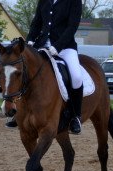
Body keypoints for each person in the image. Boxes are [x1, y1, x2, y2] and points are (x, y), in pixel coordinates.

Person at [24, 0, 83, 134]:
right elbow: (37, 22)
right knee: (25, 71)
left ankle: (75, 117)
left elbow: (72, 27)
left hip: (65, 47)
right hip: (42, 45)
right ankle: (20, 112)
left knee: (76, 77)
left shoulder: (74, 2)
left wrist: (58, 46)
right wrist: (30, 40)